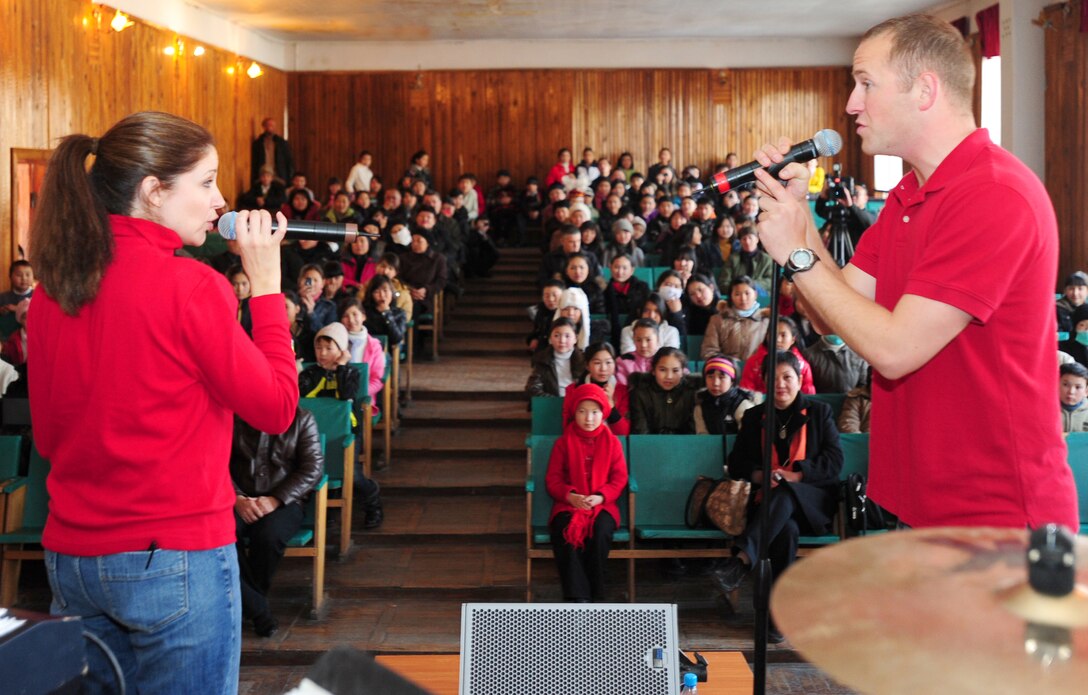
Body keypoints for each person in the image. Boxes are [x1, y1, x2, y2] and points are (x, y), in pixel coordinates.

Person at [750, 13, 1077, 529]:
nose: (851, 103)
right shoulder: (909, 194)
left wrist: (797, 253)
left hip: (995, 509)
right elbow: (831, 313)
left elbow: (895, 350)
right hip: (919, 499)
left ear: (924, 90)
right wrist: (802, 218)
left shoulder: (992, 194)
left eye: (866, 84)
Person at [28, 111, 298, 693]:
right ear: (153, 191)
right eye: (205, 182)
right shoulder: (193, 286)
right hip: (173, 554)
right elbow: (276, 408)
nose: (220, 199)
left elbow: (48, 439)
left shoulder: (54, 288)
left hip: (74, 555)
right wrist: (269, 290)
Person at [712, 352, 843, 643]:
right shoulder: (754, 416)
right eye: (774, 379)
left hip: (812, 504)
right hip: (771, 509)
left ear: (799, 380)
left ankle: (742, 559)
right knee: (785, 531)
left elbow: (834, 461)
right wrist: (764, 476)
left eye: (788, 377)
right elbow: (737, 464)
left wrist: (796, 476)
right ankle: (775, 619)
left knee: (785, 491)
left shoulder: (819, 412)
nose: (781, 385)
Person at [231, 407, 323, 637]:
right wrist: (237, 497)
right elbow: (216, 462)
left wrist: (275, 500)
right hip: (236, 499)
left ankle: (250, 603)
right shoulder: (232, 416)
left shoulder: (302, 418)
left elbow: (312, 468)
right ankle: (259, 610)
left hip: (284, 500)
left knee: (268, 536)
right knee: (222, 536)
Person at [546, 383, 628, 602]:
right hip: (569, 504)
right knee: (564, 531)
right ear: (574, 413)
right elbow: (553, 479)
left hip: (602, 504)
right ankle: (577, 598)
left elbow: (619, 478)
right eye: (582, 411)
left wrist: (601, 496)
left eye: (594, 412)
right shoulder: (563, 443)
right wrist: (570, 495)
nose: (588, 418)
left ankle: (597, 596)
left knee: (600, 531)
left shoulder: (613, 443)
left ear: (603, 413)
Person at [628, 347, 701, 434]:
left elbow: (693, 431)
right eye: (662, 370)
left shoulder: (692, 392)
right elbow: (640, 431)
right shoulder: (640, 393)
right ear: (653, 370)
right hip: (649, 444)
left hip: (685, 445)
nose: (669, 376)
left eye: (675, 370)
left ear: (682, 372)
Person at [563, 343, 631, 436]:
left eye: (608, 362)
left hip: (612, 444)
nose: (603, 368)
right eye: (597, 363)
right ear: (587, 365)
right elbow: (567, 427)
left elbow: (623, 432)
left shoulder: (623, 391)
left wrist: (611, 406)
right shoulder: (573, 390)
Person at [701, 276, 770, 361]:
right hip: (726, 370)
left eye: (747, 293)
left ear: (755, 294)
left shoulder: (766, 320)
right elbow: (709, 351)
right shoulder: (718, 320)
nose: (743, 298)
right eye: (737, 294)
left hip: (757, 370)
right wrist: (728, 362)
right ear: (731, 296)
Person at [694, 355, 759, 435]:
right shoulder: (700, 404)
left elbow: (748, 437)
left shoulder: (742, 405)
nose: (715, 383)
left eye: (721, 377)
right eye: (710, 377)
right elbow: (702, 437)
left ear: (732, 381)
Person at [526, 318, 584, 398]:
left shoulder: (584, 359)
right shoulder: (542, 359)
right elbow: (533, 388)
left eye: (567, 336)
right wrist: (554, 401)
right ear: (550, 339)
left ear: (575, 339)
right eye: (557, 335)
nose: (562, 341)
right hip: (552, 403)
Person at [250, 116, 294, 184]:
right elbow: (255, 162)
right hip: (264, 176)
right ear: (264, 127)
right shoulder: (258, 143)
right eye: (268, 125)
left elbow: (289, 160)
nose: (270, 127)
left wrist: (289, 177)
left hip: (279, 176)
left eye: (272, 125)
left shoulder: (282, 143)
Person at [1060, 362, 1088, 434]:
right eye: (1065, 385)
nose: (1071, 392)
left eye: (1078, 387)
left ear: (1086, 391)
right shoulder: (1047, 409)